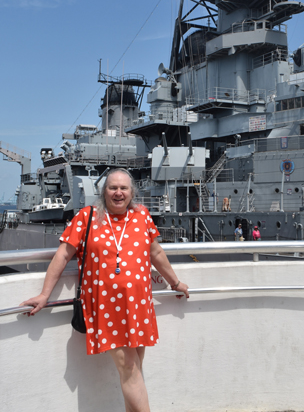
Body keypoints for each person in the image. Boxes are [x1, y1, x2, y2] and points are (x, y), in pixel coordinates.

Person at [20, 168, 189, 412]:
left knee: (134, 369)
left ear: (132, 192)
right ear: (104, 192)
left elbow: (156, 253)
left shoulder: (142, 216)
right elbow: (62, 255)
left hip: (138, 304)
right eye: (113, 187)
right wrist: (45, 295)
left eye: (124, 188)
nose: (118, 193)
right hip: (105, 305)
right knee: (129, 369)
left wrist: (175, 282)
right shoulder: (87, 217)